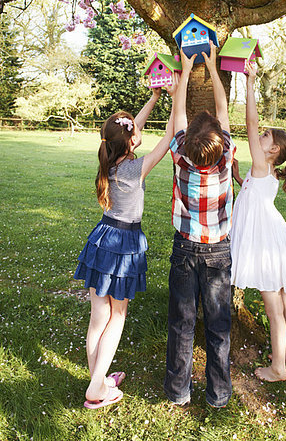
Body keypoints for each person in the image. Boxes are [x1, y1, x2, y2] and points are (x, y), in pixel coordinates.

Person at [74, 82, 178, 409]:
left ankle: (99, 380)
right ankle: (96, 389)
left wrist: (155, 98)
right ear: (131, 140)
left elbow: (133, 130)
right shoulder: (135, 169)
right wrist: (176, 99)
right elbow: (170, 136)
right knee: (116, 316)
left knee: (97, 317)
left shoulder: (111, 159)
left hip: (102, 238)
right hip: (124, 244)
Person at [164, 42, 235, 408]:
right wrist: (211, 63)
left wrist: (187, 71)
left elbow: (178, 112)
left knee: (182, 320)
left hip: (185, 248)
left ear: (189, 140)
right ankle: (219, 393)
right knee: (218, 324)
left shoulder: (180, 158)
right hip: (219, 251)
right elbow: (222, 110)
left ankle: (179, 391)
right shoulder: (225, 160)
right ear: (220, 142)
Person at [230, 61, 286, 383]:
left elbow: (250, 123)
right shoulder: (265, 171)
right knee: (284, 295)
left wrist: (249, 82)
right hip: (274, 236)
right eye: (261, 134)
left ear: (273, 149)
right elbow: (251, 193)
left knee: (273, 304)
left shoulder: (263, 164)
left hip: (262, 241)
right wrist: (237, 175)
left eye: (264, 137)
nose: (257, 135)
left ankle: (278, 368)